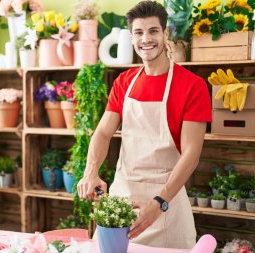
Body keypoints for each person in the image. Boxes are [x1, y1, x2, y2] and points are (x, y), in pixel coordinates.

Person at [77, 0, 212, 249]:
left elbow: (191, 155)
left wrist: (159, 202)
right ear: (131, 37)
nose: (146, 39)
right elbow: (103, 133)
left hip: (167, 205)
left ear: (165, 33)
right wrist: (91, 171)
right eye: (138, 32)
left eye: (153, 31)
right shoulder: (124, 82)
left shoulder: (192, 86)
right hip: (122, 203)